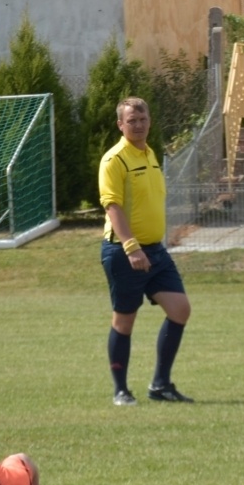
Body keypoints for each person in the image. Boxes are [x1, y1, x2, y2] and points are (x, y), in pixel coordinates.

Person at [99, 97, 193, 406]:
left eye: (142, 119)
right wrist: (131, 247)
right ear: (120, 125)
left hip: (155, 251)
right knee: (124, 320)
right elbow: (112, 205)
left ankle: (161, 385)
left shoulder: (150, 154)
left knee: (180, 309)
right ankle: (121, 391)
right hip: (124, 251)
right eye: (131, 121)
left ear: (149, 121)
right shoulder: (115, 159)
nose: (138, 125)